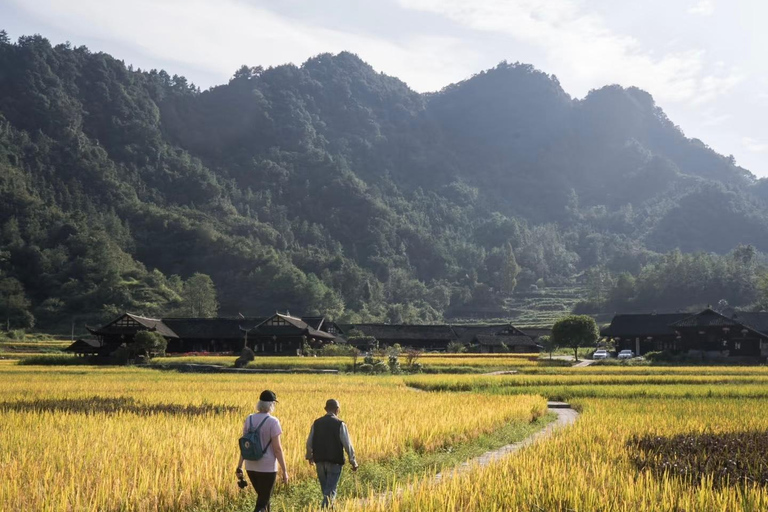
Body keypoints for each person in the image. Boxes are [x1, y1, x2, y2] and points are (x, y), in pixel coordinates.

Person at [236, 390, 289, 512]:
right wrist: (285, 470)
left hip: (250, 466)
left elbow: (245, 446)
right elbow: (277, 449)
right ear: (271, 405)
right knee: (262, 503)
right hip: (267, 468)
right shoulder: (273, 421)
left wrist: (239, 466)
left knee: (264, 499)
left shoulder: (249, 419)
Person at [305, 398, 358, 508]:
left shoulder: (317, 423)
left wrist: (310, 456)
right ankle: (324, 509)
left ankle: (329, 508)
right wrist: (353, 461)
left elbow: (309, 442)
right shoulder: (340, 424)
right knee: (330, 492)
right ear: (337, 409)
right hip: (335, 462)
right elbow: (347, 444)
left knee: (326, 491)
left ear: (325, 409)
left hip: (319, 462)